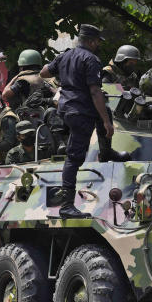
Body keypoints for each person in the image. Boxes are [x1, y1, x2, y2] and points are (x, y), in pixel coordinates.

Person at [41, 24, 128, 219]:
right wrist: (107, 123)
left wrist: (62, 66)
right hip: (80, 111)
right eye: (97, 41)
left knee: (102, 109)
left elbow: (44, 73)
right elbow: (95, 91)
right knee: (74, 158)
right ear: (90, 41)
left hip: (65, 107)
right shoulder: (92, 60)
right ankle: (67, 205)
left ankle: (106, 152)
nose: (98, 45)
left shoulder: (65, 56)